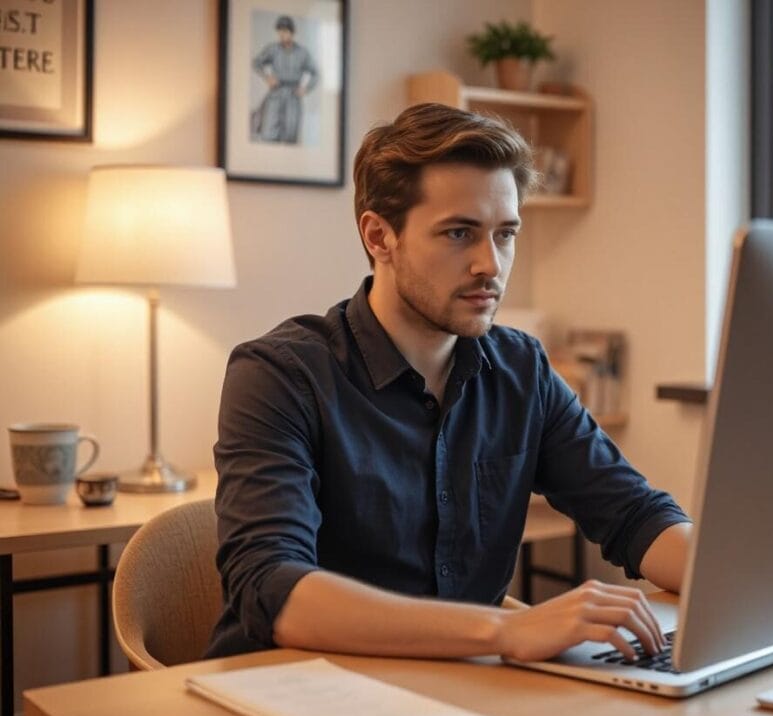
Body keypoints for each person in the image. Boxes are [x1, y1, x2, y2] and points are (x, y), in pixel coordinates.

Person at [207, 103, 693, 662]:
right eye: (460, 233)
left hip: (456, 684)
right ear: (379, 236)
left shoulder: (521, 369)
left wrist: (746, 584)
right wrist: (505, 631)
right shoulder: (279, 375)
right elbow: (273, 588)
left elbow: (635, 515)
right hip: (292, 690)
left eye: (505, 234)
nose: (491, 264)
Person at [251, 15, 319, 144]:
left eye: (285, 31)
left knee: (290, 135)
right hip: (276, 93)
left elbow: (315, 73)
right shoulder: (272, 49)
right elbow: (256, 62)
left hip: (293, 95)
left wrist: (306, 88)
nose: (282, 35)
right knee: (268, 133)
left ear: (291, 32)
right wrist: (267, 77)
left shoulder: (302, 52)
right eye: (280, 31)